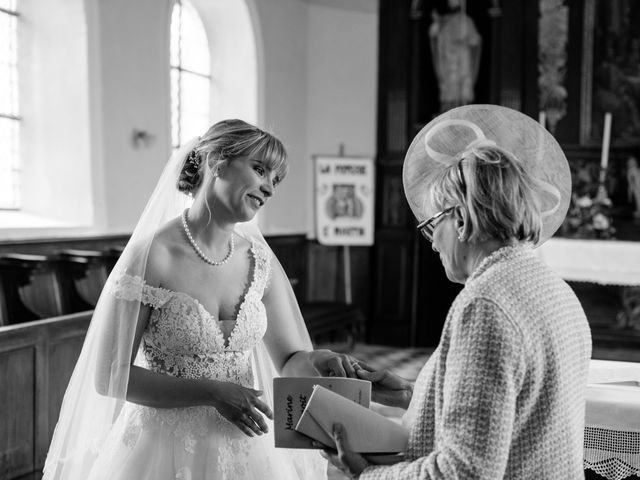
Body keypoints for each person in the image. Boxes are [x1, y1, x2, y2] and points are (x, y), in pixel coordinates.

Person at [43, 119, 358, 480]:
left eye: (276, 180)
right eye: (260, 170)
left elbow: (289, 360)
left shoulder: (259, 259)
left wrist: (318, 360)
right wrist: (210, 392)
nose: (269, 187)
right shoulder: (154, 255)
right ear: (218, 161)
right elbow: (110, 376)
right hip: (164, 450)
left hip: (250, 447)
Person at [321, 105, 592, 479]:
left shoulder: (486, 303)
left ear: (461, 220)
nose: (432, 244)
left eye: (432, 225)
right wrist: (408, 394)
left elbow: (465, 472)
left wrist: (365, 474)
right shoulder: (555, 288)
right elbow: (502, 413)